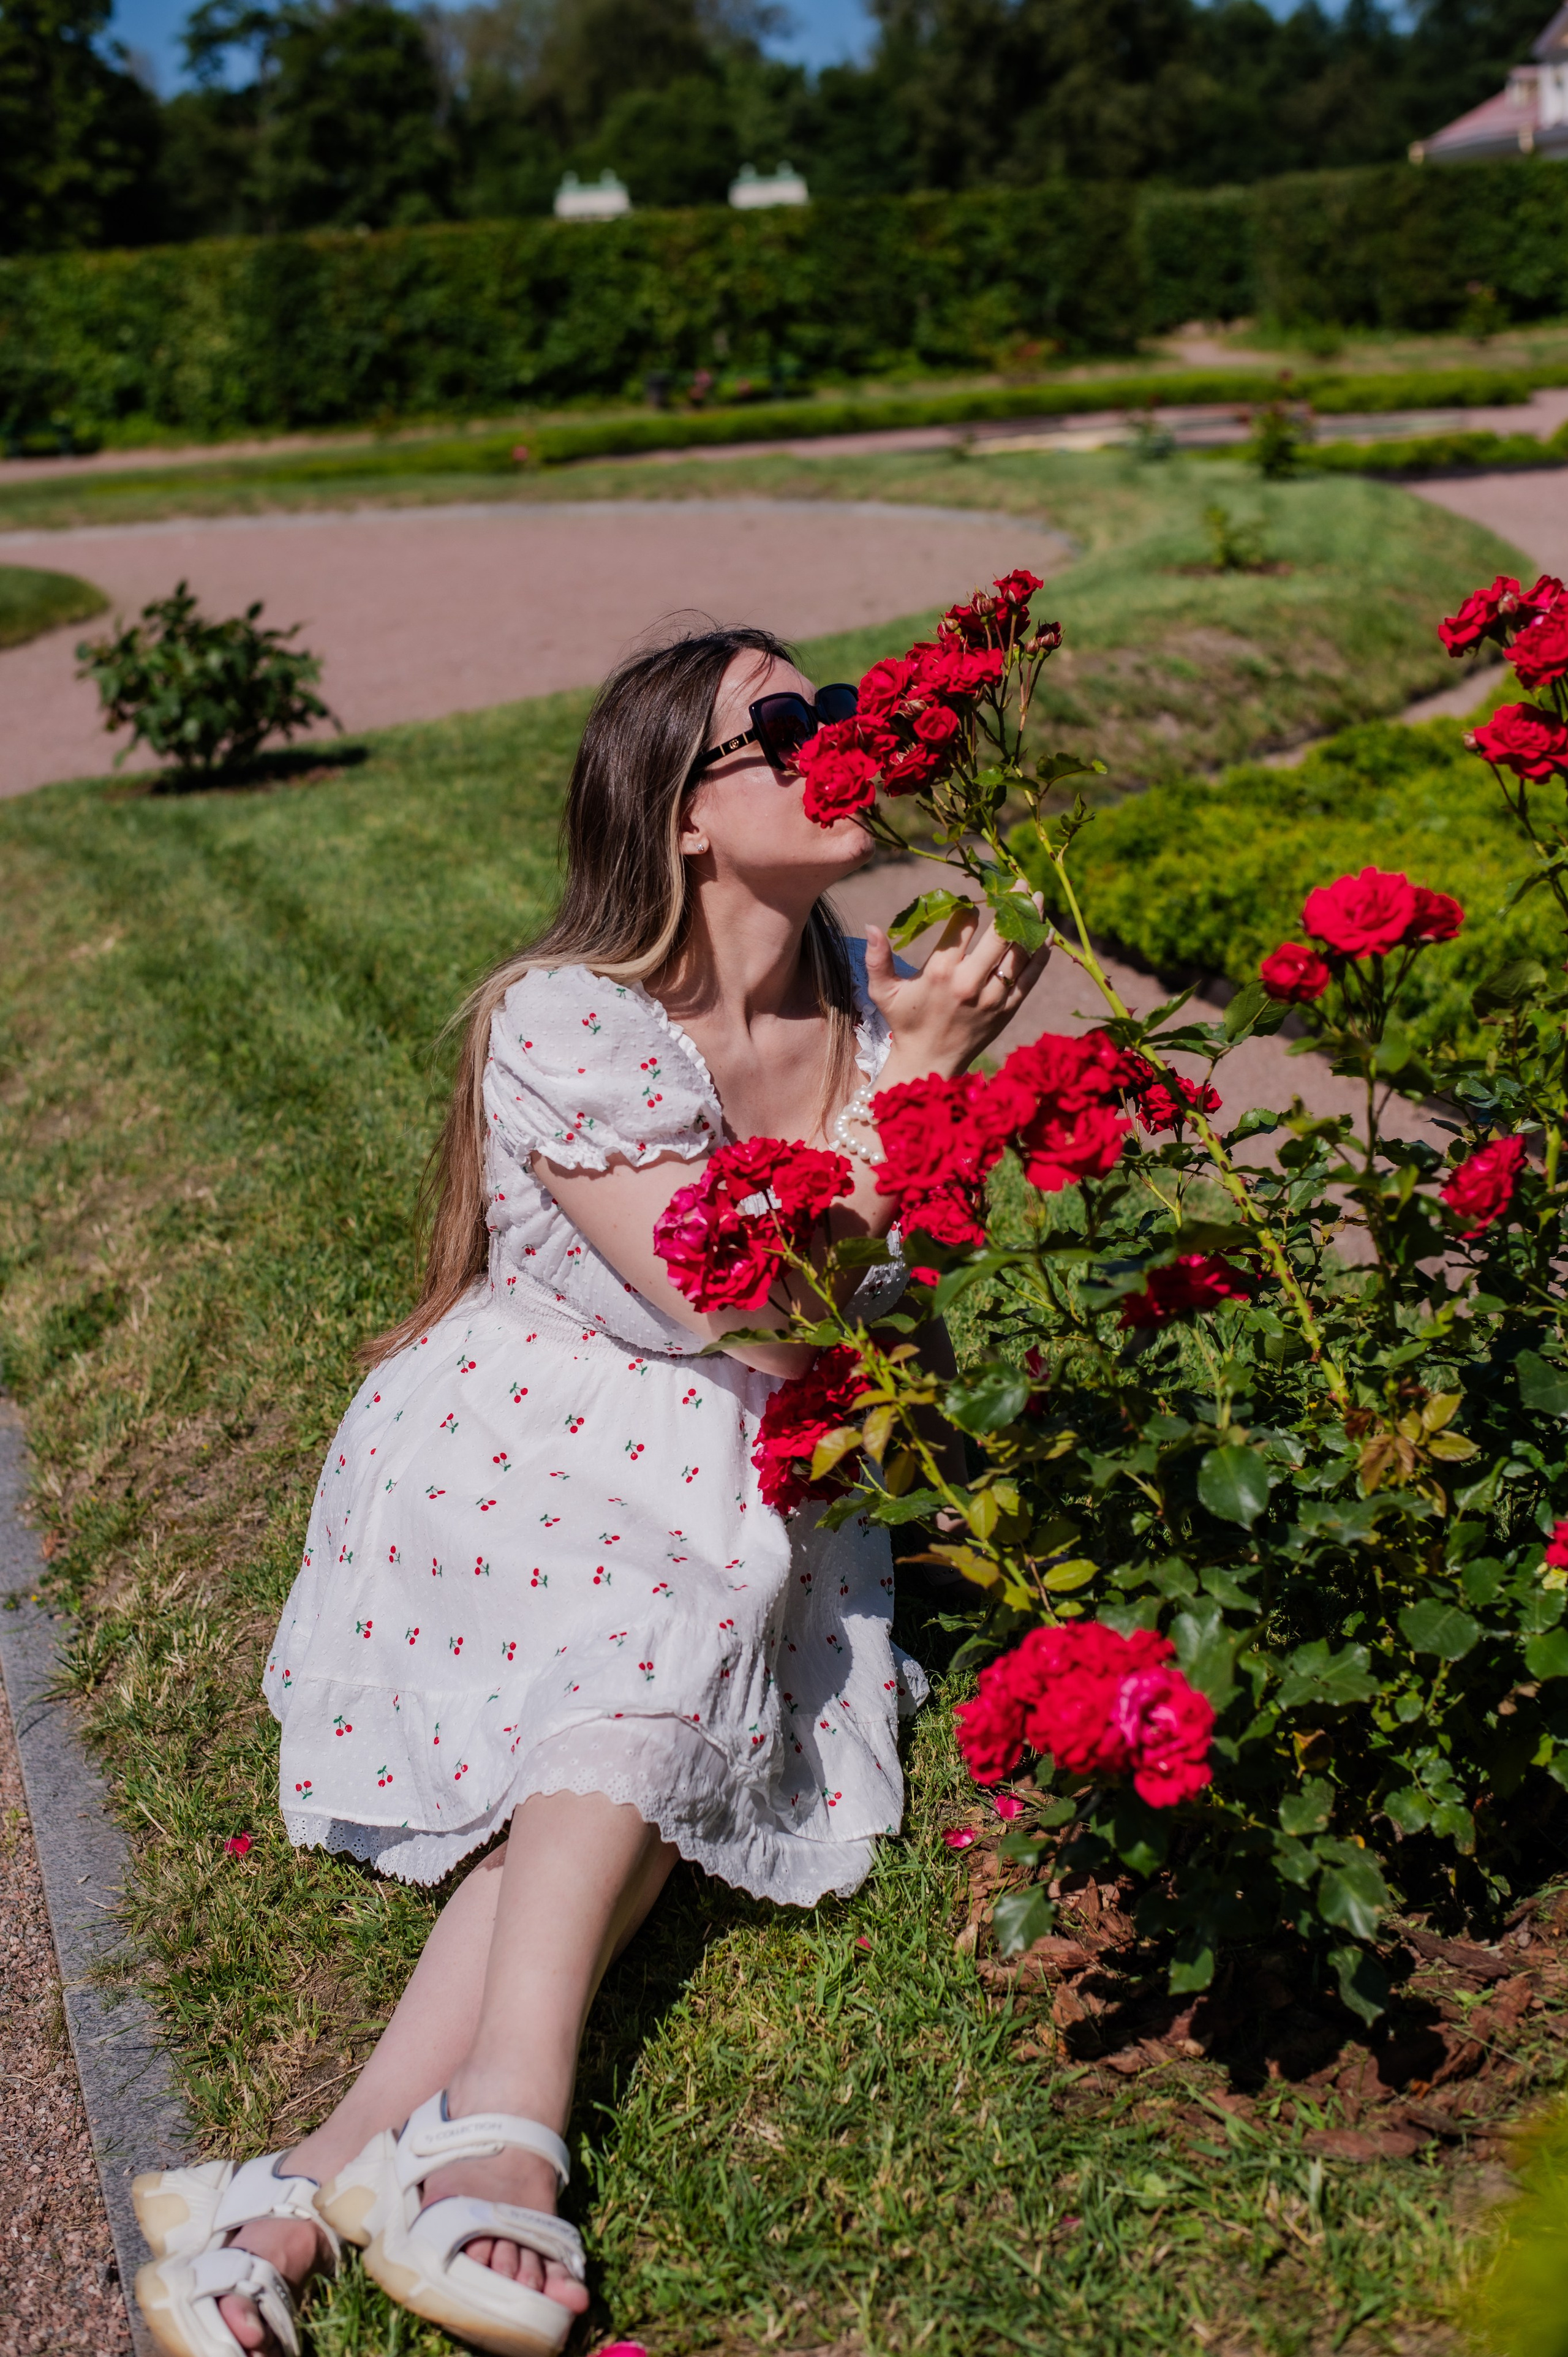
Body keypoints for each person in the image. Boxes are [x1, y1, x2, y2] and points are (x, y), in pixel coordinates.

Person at [131, 624, 1049, 2357]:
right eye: (780, 723)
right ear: (682, 812)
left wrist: (917, 1066)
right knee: (654, 1654)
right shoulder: (574, 1017)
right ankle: (511, 2151)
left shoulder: (866, 987)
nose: (832, 734)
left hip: (744, 1464)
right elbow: (754, 1317)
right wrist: (923, 1092)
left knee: (608, 1791)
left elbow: (864, 1306)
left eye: (838, 707)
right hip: (532, 1448)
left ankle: (301, 2185)